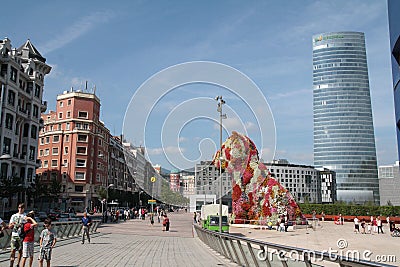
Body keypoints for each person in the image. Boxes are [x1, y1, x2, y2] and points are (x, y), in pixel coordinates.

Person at [8, 203, 26, 267]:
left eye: (21, 207)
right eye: (19, 207)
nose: (20, 209)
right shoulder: (14, 216)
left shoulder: (25, 216)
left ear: (24, 208)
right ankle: (11, 264)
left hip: (21, 236)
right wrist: (12, 225)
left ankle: (18, 264)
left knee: (20, 250)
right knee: (12, 250)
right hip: (14, 235)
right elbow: (9, 226)